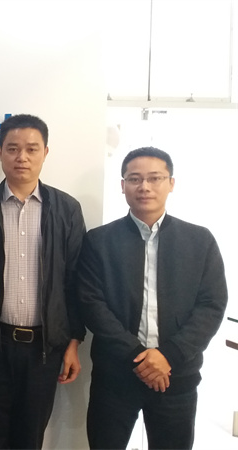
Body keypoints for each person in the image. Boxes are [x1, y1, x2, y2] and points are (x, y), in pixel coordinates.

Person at [78, 147, 227, 449]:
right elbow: (91, 303)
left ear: (171, 183)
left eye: (154, 178)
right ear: (123, 185)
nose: (144, 186)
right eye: (135, 179)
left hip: (175, 376)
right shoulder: (99, 240)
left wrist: (167, 356)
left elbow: (211, 305)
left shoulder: (199, 241)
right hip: (115, 376)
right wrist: (138, 356)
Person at [0, 114, 86, 449]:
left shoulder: (67, 210)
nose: (22, 157)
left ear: (45, 152)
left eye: (32, 149)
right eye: (13, 148)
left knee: (30, 439)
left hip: (44, 349)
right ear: (0, 152)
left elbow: (76, 280)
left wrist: (74, 341)